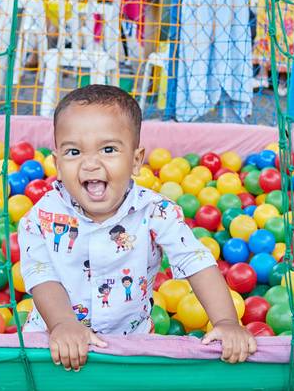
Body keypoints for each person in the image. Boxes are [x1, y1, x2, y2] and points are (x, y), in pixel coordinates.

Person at [19, 85, 256, 370]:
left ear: (135, 160)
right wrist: (64, 325)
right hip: (53, 341)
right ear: (57, 163)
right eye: (73, 151)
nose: (91, 163)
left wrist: (226, 321)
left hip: (131, 343)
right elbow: (42, 276)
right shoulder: (41, 217)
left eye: (108, 149)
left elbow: (196, 260)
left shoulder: (156, 211)